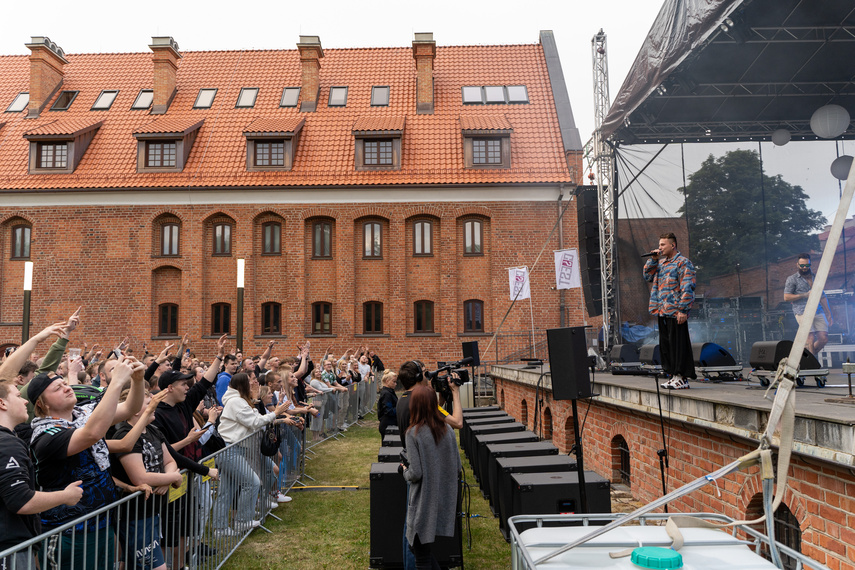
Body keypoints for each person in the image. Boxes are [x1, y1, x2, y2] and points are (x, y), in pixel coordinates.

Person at [28, 354, 145, 569]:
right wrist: (116, 382)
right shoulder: (46, 435)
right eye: (56, 389)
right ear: (42, 404)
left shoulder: (83, 411)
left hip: (101, 519)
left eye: (64, 383)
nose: (65, 387)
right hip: (69, 529)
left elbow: (129, 408)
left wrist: (137, 380)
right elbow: (91, 434)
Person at [0, 381, 83, 569]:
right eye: (18, 396)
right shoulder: (7, 445)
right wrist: (65, 496)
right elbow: (20, 500)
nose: (25, 403)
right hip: (9, 549)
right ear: (2, 404)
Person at [214, 372, 291, 535]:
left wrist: (258, 401)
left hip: (236, 449)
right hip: (230, 450)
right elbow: (255, 422)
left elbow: (255, 417)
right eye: (251, 383)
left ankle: (220, 528)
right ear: (243, 386)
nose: (254, 385)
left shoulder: (241, 401)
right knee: (252, 482)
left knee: (226, 491)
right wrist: (275, 413)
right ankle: (242, 521)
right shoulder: (236, 402)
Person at [401, 386, 461, 570]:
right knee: (420, 550)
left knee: (420, 553)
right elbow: (457, 465)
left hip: (423, 501)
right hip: (444, 497)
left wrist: (403, 470)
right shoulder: (448, 429)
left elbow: (416, 473)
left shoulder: (413, 433)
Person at [643, 232, 697, 390]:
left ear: (672, 245)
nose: (659, 248)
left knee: (678, 345)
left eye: (662, 245)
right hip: (662, 310)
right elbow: (647, 276)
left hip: (676, 311)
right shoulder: (660, 264)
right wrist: (653, 260)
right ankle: (673, 374)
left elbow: (688, 287)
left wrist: (683, 309)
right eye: (659, 245)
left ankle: (682, 376)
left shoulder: (683, 263)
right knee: (666, 345)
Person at [783, 253, 833, 355]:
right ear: (797, 265)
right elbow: (786, 297)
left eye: (807, 265)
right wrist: (805, 294)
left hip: (818, 310)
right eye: (802, 265)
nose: (804, 267)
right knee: (810, 337)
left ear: (810, 264)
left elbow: (822, 297)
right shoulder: (792, 279)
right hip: (802, 311)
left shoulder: (816, 277)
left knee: (824, 338)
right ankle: (811, 366)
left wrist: (828, 313)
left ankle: (807, 359)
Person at [377, 369, 398, 437]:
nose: (396, 384)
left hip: (391, 423)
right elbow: (388, 411)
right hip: (388, 425)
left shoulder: (389, 392)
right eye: (394, 382)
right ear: (387, 381)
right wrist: (399, 409)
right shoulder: (386, 394)